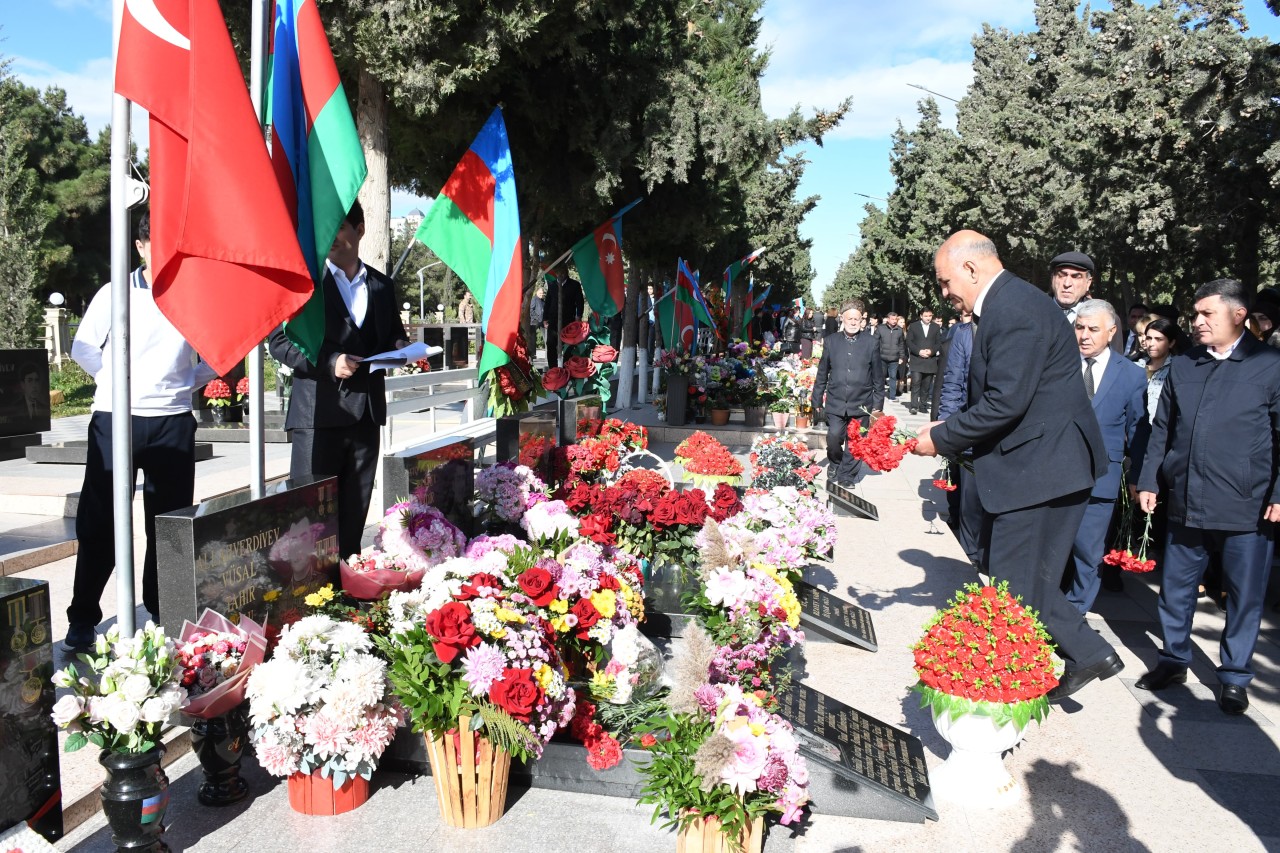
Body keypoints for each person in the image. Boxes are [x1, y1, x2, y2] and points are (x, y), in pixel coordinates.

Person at [913, 230, 1121, 703]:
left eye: (946, 282)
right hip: (1046, 465)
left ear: (970, 268)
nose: (945, 294)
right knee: (1026, 580)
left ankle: (1029, 674)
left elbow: (1006, 401)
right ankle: (1081, 654)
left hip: (1042, 468)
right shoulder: (1011, 303)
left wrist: (942, 438)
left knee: (1012, 584)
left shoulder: (1012, 309)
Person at [64, 210, 218, 651]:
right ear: (140, 246)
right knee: (100, 522)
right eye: (155, 243)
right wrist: (119, 386)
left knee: (168, 524)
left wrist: (182, 385)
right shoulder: (115, 293)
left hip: (172, 420)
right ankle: (82, 618)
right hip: (117, 419)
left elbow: (213, 356)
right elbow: (83, 349)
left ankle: (162, 609)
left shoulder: (192, 295)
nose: (163, 252)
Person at [1134, 278, 1280, 715]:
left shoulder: (1270, 365)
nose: (1196, 322)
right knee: (1175, 589)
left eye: (1206, 314)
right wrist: (1148, 480)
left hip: (1247, 504)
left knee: (1243, 593)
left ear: (1238, 315)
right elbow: (1162, 429)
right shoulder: (1184, 364)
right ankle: (1173, 660)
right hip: (1186, 498)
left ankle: (1234, 677)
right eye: (1194, 314)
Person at [268, 200, 409, 562]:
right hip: (317, 414)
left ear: (360, 230)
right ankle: (307, 605)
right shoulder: (305, 283)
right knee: (309, 516)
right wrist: (330, 363)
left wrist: (401, 348)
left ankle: (347, 590)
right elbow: (280, 342)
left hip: (365, 415)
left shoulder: (381, 285)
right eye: (326, 228)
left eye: (341, 227)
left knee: (353, 512)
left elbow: (392, 334)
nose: (332, 236)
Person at [1063, 300, 1149, 615]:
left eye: (1093, 329)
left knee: (1088, 551)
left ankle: (1075, 612)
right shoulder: (1058, 364)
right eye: (1079, 327)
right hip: (1055, 474)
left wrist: (1138, 477)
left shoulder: (1130, 375)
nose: (1084, 335)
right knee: (1052, 549)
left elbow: (1139, 431)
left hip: (1101, 479)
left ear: (1111, 332)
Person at [812, 300, 885, 488]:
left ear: (862, 321)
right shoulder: (831, 341)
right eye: (850, 318)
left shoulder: (871, 342)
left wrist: (878, 404)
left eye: (857, 319)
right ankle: (835, 462)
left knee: (856, 442)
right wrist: (817, 399)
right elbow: (822, 373)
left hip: (861, 403)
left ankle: (847, 475)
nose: (853, 322)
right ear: (842, 318)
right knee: (834, 437)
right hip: (836, 401)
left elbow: (878, 375)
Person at [936, 309, 981, 566]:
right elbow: (952, 384)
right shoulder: (964, 336)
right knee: (970, 500)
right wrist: (945, 425)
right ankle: (969, 557)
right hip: (969, 426)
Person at [905, 308, 939, 415]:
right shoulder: (914, 326)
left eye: (930, 316)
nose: (928, 318)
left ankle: (923, 405)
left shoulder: (936, 327)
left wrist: (931, 351)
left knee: (926, 385)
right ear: (921, 316)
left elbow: (938, 343)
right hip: (917, 360)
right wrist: (918, 351)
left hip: (930, 361)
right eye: (926, 316)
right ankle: (914, 406)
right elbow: (909, 341)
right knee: (916, 383)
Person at [1049, 251, 1094, 324]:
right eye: (1061, 275)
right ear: (1052, 279)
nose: (1067, 284)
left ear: (1088, 283)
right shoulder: (1034, 309)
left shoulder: (1101, 316)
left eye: (1076, 277)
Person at [876, 313, 906, 402]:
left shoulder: (899, 330)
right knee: (881, 376)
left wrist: (901, 356)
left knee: (893, 377)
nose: (894, 321)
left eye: (895, 319)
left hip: (894, 358)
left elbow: (901, 345)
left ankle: (892, 396)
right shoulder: (881, 328)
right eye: (892, 319)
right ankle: (879, 394)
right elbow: (875, 341)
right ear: (888, 319)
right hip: (882, 357)